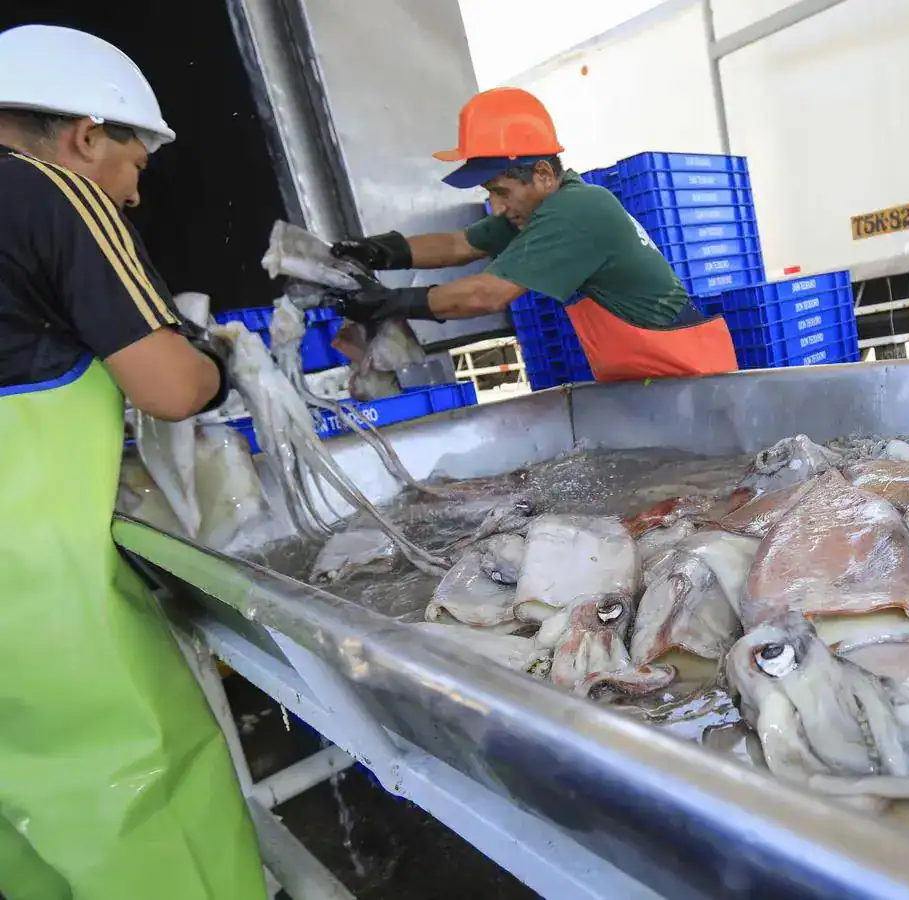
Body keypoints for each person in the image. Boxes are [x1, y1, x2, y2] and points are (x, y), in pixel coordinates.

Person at [0, 25, 266, 899]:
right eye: (137, 165)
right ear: (85, 135)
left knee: (29, 814)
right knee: (139, 788)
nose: (136, 194)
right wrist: (222, 363)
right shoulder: (45, 189)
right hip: (33, 585)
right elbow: (167, 386)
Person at [329, 87, 738, 382]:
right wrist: (379, 251)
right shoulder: (533, 210)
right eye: (490, 194)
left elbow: (486, 294)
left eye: (500, 191)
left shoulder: (576, 210)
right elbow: (460, 245)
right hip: (650, 376)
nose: (498, 205)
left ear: (543, 173)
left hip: (690, 376)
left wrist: (390, 303)